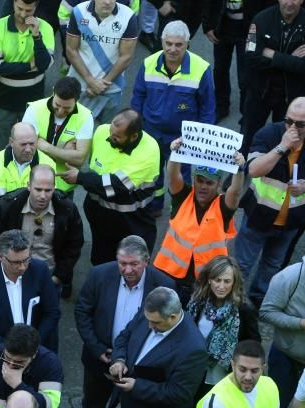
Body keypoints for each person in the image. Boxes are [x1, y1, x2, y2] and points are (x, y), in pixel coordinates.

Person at [71, 235, 175, 408]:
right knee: (91, 404)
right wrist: (98, 349)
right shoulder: (99, 275)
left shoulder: (164, 286)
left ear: (146, 261)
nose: (127, 270)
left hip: (139, 365)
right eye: (122, 263)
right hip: (101, 359)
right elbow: (82, 312)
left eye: (134, 264)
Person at [171, 256, 260, 408]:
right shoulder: (198, 301)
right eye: (217, 280)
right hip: (194, 365)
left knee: (212, 406)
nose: (221, 286)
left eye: (227, 281)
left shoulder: (243, 309)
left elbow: (253, 342)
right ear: (208, 280)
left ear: (234, 282)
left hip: (220, 370)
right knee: (190, 403)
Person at [108, 287, 208, 408]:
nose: (149, 326)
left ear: (173, 317)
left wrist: (136, 386)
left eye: (155, 323)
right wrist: (119, 359)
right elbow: (124, 337)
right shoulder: (150, 314)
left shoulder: (193, 349)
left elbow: (178, 393)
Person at [132, 21, 215, 211]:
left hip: (182, 135)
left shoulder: (201, 68)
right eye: (168, 43)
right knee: (153, 172)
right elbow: (138, 98)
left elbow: (208, 108)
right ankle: (155, 204)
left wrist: (201, 137)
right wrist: (136, 129)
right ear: (162, 41)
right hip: (151, 131)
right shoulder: (148, 63)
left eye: (178, 45)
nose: (172, 49)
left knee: (181, 175)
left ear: (187, 43)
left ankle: (179, 209)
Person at [59, 108, 160, 265]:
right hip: (99, 218)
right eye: (111, 131)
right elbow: (93, 162)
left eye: (117, 137)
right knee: (101, 263)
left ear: (133, 136)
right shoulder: (102, 131)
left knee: (131, 268)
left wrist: (80, 177)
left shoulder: (148, 151)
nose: (110, 137)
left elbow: (114, 186)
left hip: (132, 223)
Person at [233, 97, 305, 305]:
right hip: (259, 216)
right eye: (288, 121)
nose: (292, 128)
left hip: (291, 222)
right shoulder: (269, 134)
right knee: (242, 265)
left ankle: (258, 301)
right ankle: (232, 301)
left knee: (272, 265)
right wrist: (282, 147)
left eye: (300, 124)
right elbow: (253, 169)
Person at [152, 142, 245, 302]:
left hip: (205, 280)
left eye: (209, 183)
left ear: (219, 185)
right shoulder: (183, 196)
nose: (203, 186)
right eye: (199, 181)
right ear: (194, 180)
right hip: (168, 273)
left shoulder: (223, 206)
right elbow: (173, 176)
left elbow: (235, 192)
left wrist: (240, 169)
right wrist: (175, 154)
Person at [0, 164, 84, 297]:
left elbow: (74, 245)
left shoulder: (67, 209)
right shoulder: (8, 206)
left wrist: (58, 277)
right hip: (12, 277)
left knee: (48, 316)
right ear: (29, 185)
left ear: (54, 187)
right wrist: (1, 274)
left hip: (49, 278)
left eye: (48, 190)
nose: (43, 196)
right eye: (38, 189)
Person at [0, 229, 60, 355]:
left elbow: (52, 312)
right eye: (15, 262)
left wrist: (34, 344)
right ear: (1, 257)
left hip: (37, 349)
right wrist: (8, 349)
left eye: (26, 260)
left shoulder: (40, 270)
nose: (22, 267)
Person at [0, 0, 55, 146]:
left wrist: (36, 35)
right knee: (0, 143)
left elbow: (44, 64)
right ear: (13, 3)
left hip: (34, 98)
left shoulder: (45, 28)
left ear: (36, 7)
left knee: (30, 145)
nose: (23, 14)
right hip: (4, 98)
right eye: (20, 8)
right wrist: (30, 65)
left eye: (28, 11)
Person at [241, 0, 305, 155]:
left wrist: (271, 54)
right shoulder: (260, 19)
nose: (289, 3)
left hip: (290, 96)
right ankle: (238, 168)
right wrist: (290, 59)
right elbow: (250, 56)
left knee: (286, 138)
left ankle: (278, 173)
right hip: (259, 92)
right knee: (247, 134)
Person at [65, 0, 138, 125]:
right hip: (79, 85)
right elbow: (71, 50)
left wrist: (101, 85)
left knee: (106, 133)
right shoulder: (79, 11)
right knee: (73, 131)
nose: (108, 2)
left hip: (111, 88)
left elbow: (126, 56)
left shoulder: (128, 16)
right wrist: (90, 81)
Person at [22, 76, 94, 194]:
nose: (60, 111)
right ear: (53, 91)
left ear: (77, 100)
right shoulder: (34, 108)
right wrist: (65, 152)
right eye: (57, 105)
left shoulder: (86, 117)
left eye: (66, 108)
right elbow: (26, 149)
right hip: (33, 182)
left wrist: (42, 144)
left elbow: (79, 159)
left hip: (63, 186)